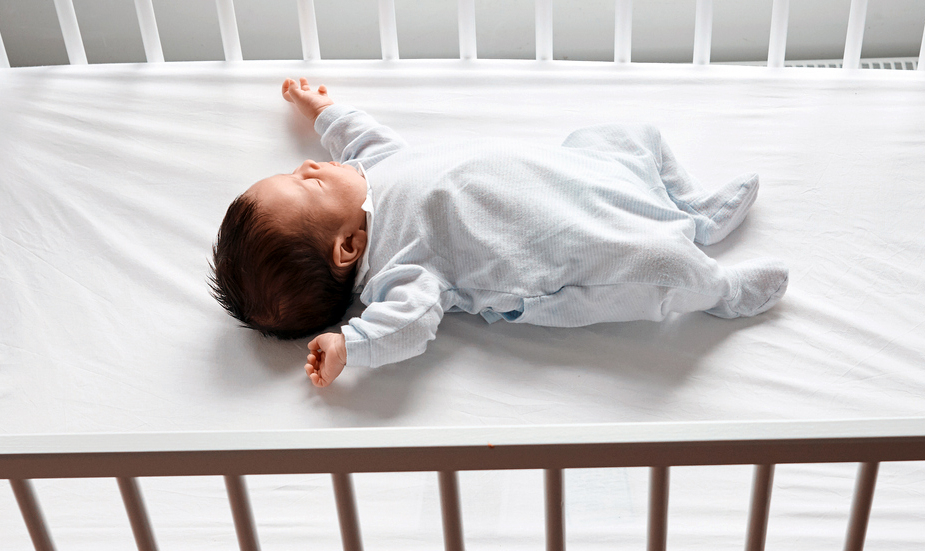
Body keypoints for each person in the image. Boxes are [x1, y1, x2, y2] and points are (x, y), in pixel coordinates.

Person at [210, 78, 788, 387]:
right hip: (564, 249)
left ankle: (695, 213)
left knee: (631, 135)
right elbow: (407, 327)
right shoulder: (400, 269)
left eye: (297, 169)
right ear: (348, 247)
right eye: (307, 184)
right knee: (658, 263)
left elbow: (365, 139)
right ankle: (722, 291)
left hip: (567, 174)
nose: (309, 165)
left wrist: (327, 113)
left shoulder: (374, 170)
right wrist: (350, 345)